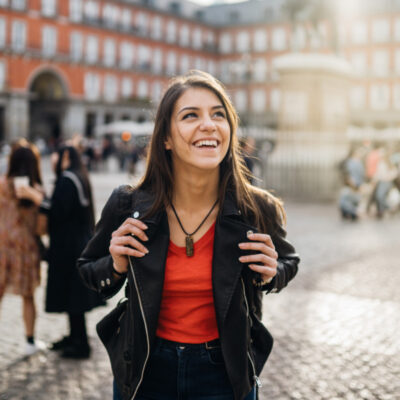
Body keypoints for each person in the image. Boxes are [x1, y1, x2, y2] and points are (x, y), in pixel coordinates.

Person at [78, 71, 299, 400]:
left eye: (218, 114)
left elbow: (288, 261)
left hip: (225, 371)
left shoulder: (256, 208)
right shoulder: (128, 204)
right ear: (166, 137)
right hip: (144, 370)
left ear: (229, 130)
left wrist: (272, 273)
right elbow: (88, 268)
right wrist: (115, 264)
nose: (209, 124)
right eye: (190, 115)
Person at [17, 145, 105, 358]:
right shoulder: (77, 175)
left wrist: (36, 197)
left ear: (64, 155)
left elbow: (58, 212)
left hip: (69, 247)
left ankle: (80, 343)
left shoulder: (67, 178)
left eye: (55, 154)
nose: (53, 159)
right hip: (76, 243)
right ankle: (74, 336)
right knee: (72, 295)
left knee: (73, 296)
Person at [0, 139, 45, 355]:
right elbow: (42, 229)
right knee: (28, 296)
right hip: (25, 249)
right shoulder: (36, 191)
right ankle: (29, 342)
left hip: (1, 245)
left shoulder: (1, 185)